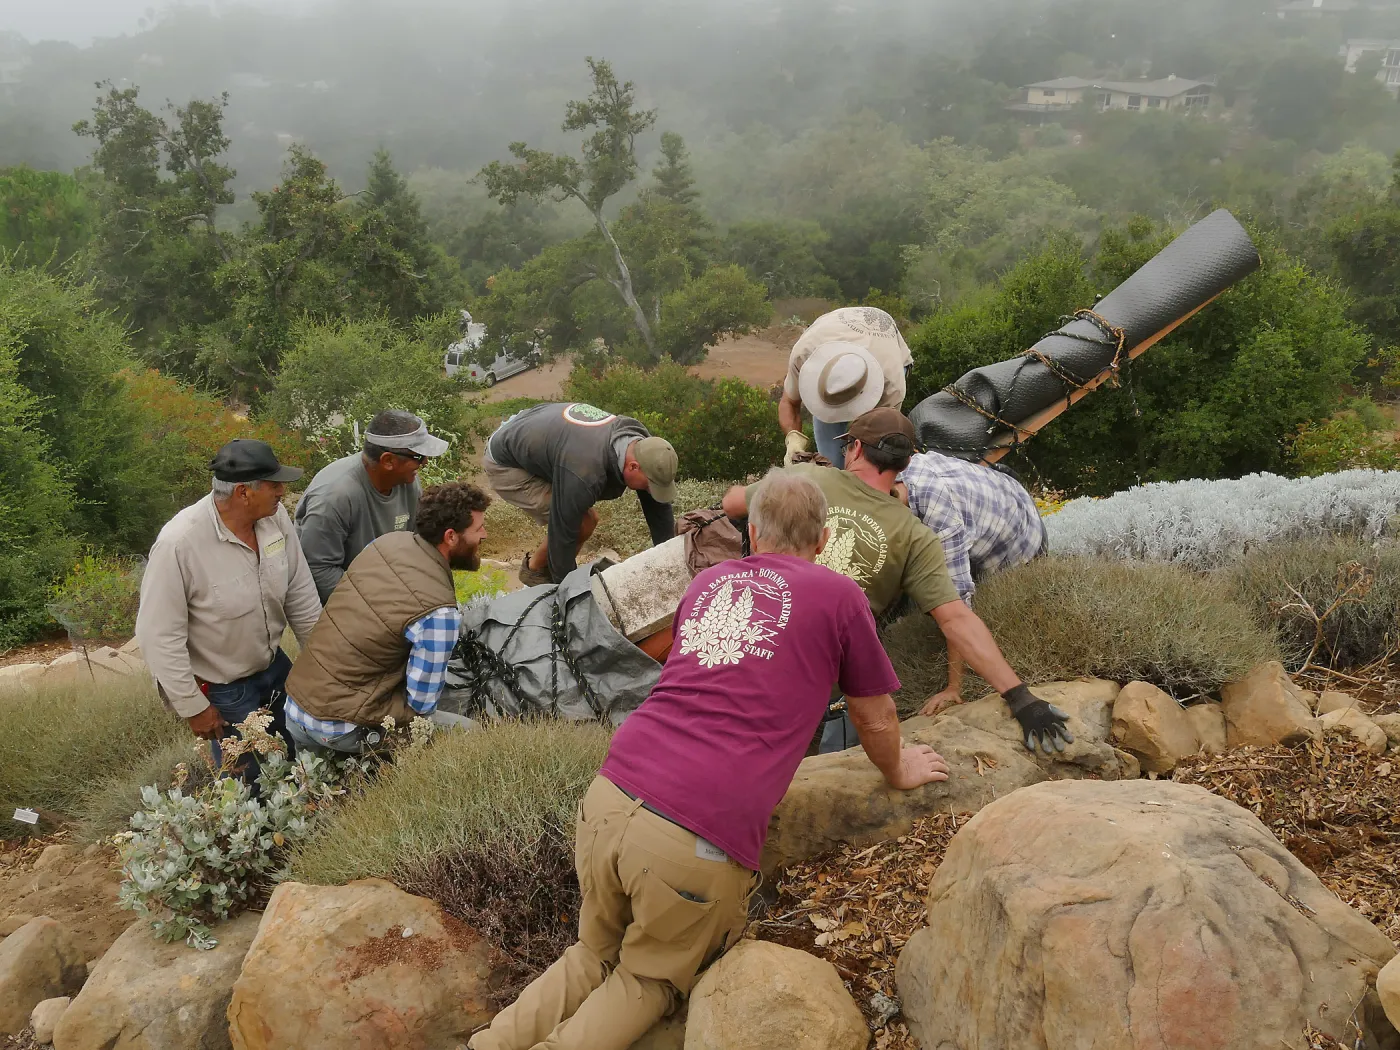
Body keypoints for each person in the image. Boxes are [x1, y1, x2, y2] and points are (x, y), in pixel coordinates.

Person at [467, 468, 950, 1050]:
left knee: (592, 954)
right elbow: (874, 717)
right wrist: (898, 768)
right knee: (647, 980)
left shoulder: (709, 582)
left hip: (611, 795)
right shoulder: (840, 596)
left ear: (754, 533)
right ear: (823, 540)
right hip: (693, 832)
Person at [722, 408, 1072, 755]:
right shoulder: (915, 536)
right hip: (808, 683)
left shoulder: (809, 480)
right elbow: (956, 618)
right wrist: (1022, 699)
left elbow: (731, 503)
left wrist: (954, 686)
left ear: (855, 449)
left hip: (1013, 543)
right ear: (906, 461)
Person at [135, 439, 322, 773]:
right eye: (274, 484)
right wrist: (193, 706)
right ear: (243, 492)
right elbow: (158, 635)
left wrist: (322, 664)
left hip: (275, 668)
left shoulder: (275, 519)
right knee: (249, 780)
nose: (282, 491)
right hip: (226, 690)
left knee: (301, 758)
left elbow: (301, 593)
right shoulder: (179, 544)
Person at [282, 482, 490, 754]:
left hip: (297, 706)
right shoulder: (439, 611)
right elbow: (421, 704)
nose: (485, 535)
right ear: (450, 536)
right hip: (340, 727)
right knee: (470, 732)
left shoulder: (384, 544)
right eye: (478, 529)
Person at [899, 450, 1048, 716]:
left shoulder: (939, 513)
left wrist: (954, 687)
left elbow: (957, 608)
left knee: (989, 615)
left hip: (1020, 543)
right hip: (1002, 494)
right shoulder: (894, 466)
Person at [482, 401, 678, 587]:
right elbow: (563, 534)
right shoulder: (585, 472)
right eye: (650, 485)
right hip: (506, 462)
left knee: (585, 519)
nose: (650, 491)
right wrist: (569, 590)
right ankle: (535, 573)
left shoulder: (642, 444)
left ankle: (544, 572)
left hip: (535, 430)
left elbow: (658, 511)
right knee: (584, 522)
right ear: (633, 467)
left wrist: (669, 561)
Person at [295, 410, 451, 603]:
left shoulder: (407, 482)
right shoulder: (334, 497)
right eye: (419, 457)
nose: (425, 462)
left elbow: (415, 543)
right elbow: (319, 570)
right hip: (343, 604)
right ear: (388, 461)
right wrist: (381, 604)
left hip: (381, 588)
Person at [779, 306, 913, 466]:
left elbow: (881, 437)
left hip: (883, 338)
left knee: (869, 452)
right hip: (837, 324)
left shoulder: (891, 385)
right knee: (831, 458)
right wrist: (793, 441)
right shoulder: (803, 355)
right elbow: (789, 402)